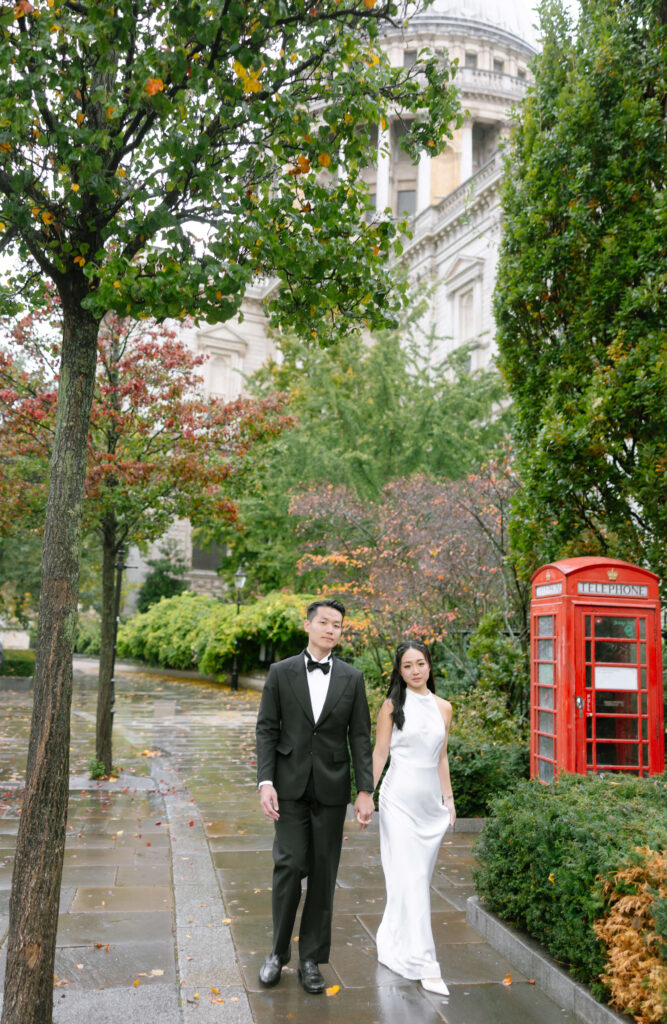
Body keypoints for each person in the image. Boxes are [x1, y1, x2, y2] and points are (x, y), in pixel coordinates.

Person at [255, 598, 375, 994]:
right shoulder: (280, 672)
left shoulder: (352, 678)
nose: (331, 629)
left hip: (331, 787)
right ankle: (277, 953)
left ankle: (311, 959)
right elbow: (267, 729)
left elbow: (360, 737)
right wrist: (265, 781)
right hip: (288, 787)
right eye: (324, 622)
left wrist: (364, 790)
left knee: (324, 873)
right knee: (289, 866)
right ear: (307, 626)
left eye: (337, 625)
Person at [372, 641, 455, 997]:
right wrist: (365, 796)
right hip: (398, 801)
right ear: (399, 671)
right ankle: (425, 962)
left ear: (429, 666)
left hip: (428, 805)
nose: (415, 671)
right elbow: (379, 753)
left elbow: (442, 758)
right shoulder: (392, 707)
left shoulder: (445, 708)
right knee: (414, 877)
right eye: (407, 666)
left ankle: (393, 938)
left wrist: (449, 799)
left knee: (410, 880)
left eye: (420, 663)